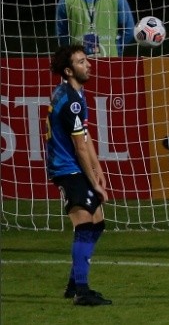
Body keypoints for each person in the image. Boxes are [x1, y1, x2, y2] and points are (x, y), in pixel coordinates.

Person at [45, 45, 112, 306]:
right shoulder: (71, 101)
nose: (89, 64)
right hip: (67, 168)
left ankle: (75, 285)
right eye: (82, 62)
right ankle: (81, 291)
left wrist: (97, 168)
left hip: (75, 167)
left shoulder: (72, 93)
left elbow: (84, 134)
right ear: (69, 70)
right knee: (84, 224)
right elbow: (79, 147)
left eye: (87, 60)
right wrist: (95, 183)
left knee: (97, 222)